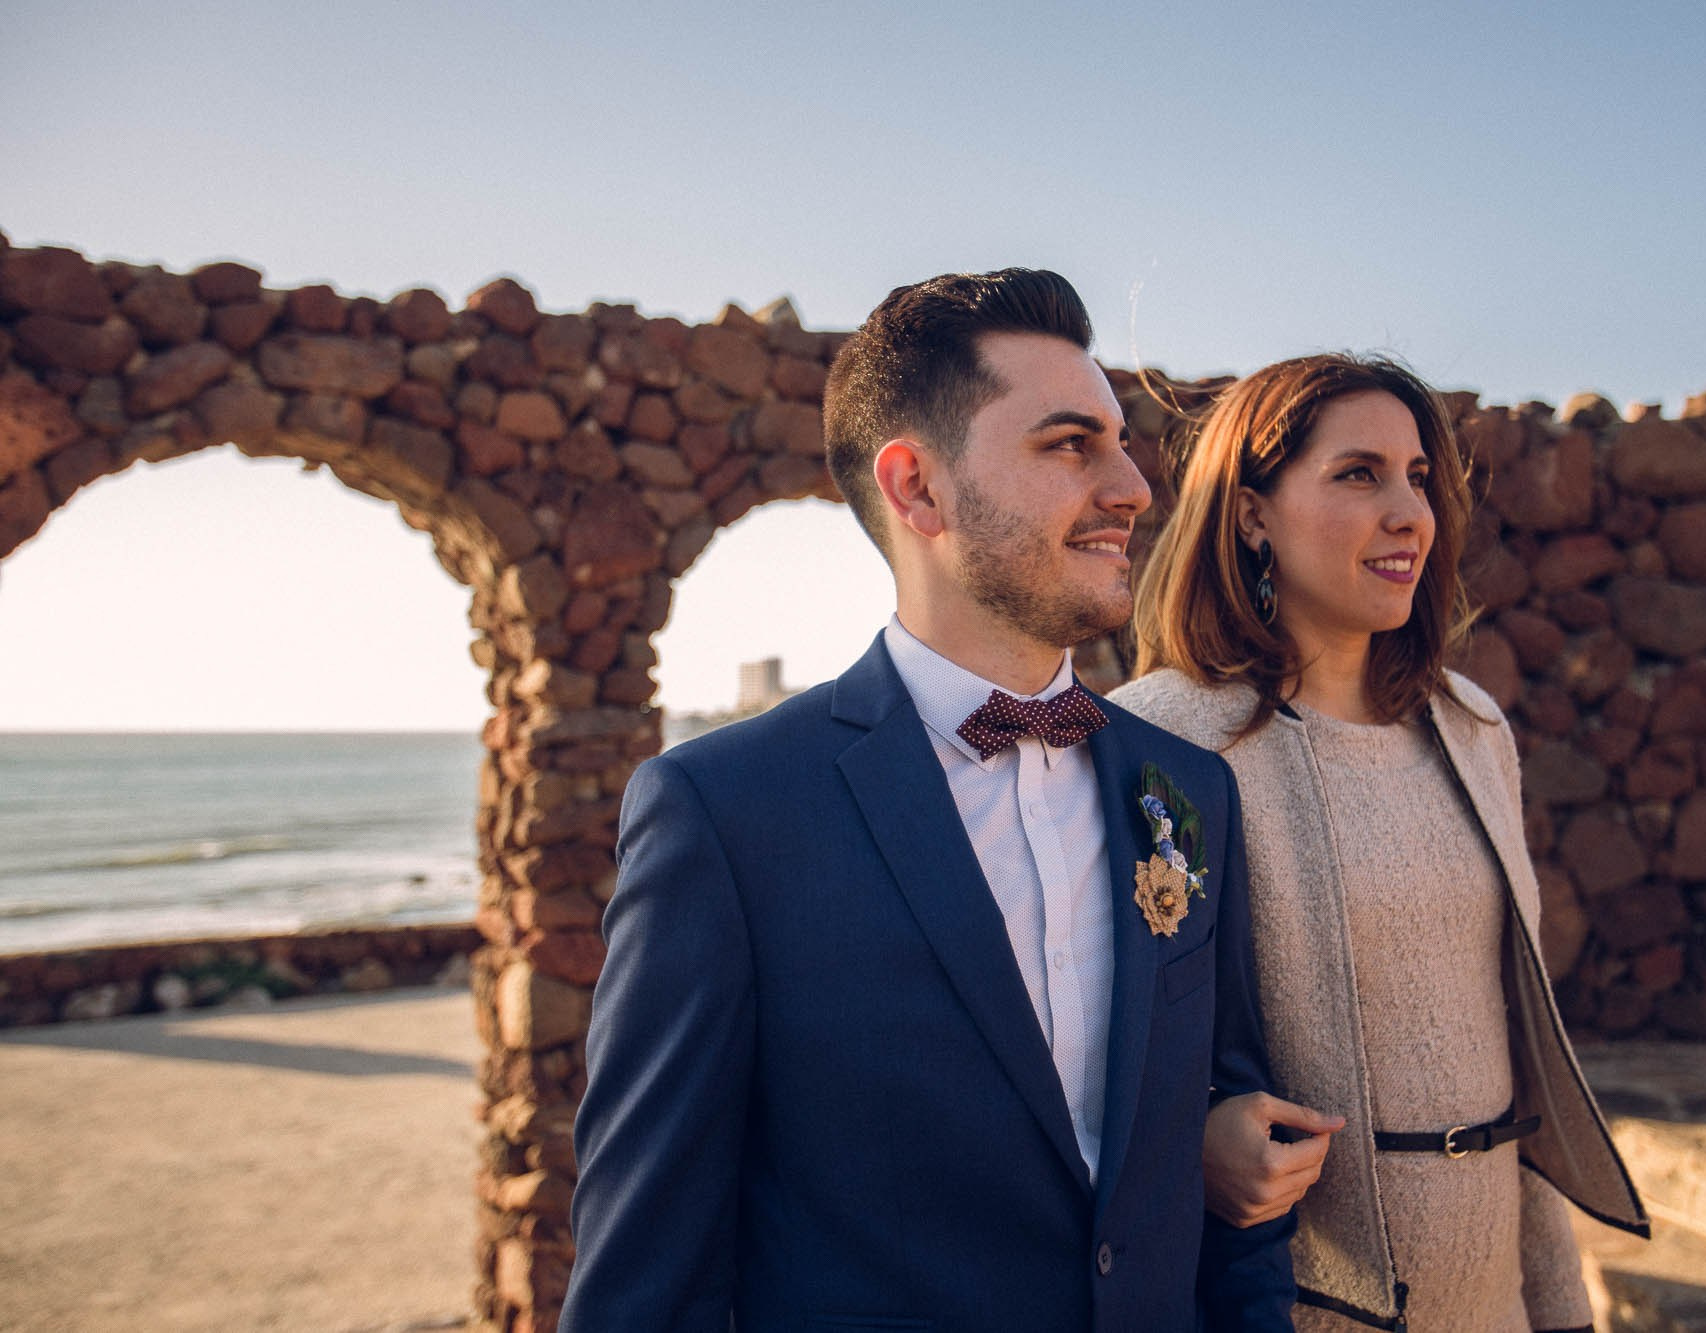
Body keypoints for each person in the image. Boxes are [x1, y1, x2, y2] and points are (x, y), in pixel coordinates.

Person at [562, 268, 1298, 1332]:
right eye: (1067, 445)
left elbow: (1232, 1162)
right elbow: (646, 1283)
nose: (1133, 487)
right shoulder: (725, 815)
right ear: (915, 488)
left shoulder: (1183, 790)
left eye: (1121, 441)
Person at [1112, 353, 1648, 1332]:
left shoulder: (1473, 727)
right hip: (1291, 1305)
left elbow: (1517, 1058)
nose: (1408, 511)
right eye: (1358, 473)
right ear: (1250, 514)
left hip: (1493, 1300)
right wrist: (1188, 1138)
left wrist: (1557, 1303)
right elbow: (1093, 1047)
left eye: (1417, 477)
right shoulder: (1160, 738)